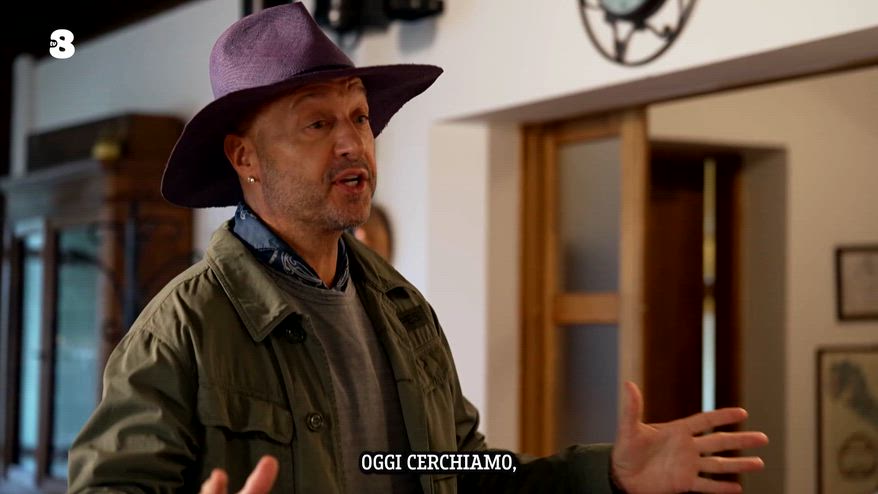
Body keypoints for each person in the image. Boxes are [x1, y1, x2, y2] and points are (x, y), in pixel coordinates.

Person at [67, 3, 768, 493]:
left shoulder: (401, 310)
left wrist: (607, 473)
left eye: (359, 117)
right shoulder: (181, 332)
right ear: (244, 156)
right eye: (317, 124)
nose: (353, 143)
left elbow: (463, 471)